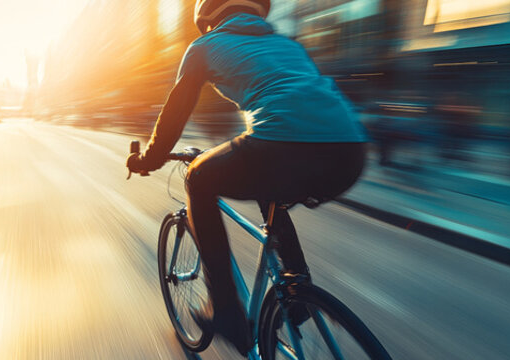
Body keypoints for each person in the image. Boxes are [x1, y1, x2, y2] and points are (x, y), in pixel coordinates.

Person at [125, 0, 370, 355]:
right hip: (349, 152)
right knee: (269, 183)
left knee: (198, 178)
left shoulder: (203, 47)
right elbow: (300, 102)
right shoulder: (288, 45)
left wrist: (147, 159)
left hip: (281, 141)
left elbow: (174, 115)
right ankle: (297, 291)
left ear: (208, 13)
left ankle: (226, 312)